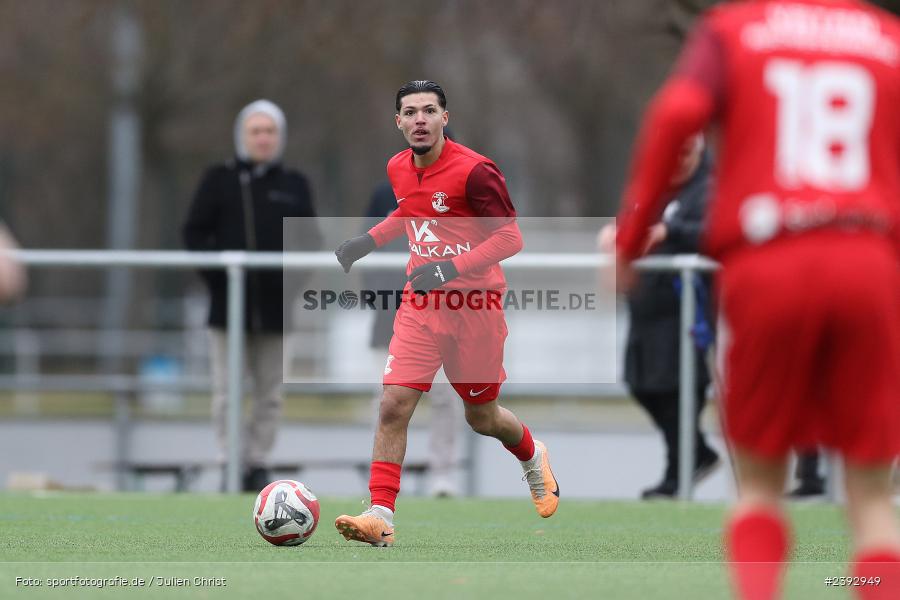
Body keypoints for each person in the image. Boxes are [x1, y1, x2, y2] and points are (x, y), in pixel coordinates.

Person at [613, 2, 900, 598]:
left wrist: (627, 243)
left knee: (763, 486)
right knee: (872, 498)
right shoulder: (885, 36)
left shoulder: (734, 31)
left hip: (770, 261)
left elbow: (677, 114)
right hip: (867, 259)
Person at [332, 80, 559, 546]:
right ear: (398, 122)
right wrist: (367, 241)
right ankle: (379, 514)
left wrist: (450, 268)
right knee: (394, 403)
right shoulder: (397, 167)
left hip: (475, 309)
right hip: (421, 307)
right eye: (410, 112)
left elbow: (510, 239)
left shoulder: (476, 172)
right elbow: (409, 214)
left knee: (482, 417)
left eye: (429, 111)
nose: (419, 119)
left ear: (444, 119)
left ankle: (533, 455)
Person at [182, 99, 320, 492]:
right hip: (228, 309)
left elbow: (309, 242)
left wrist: (289, 287)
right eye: (256, 131)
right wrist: (220, 280)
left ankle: (257, 461)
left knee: (269, 393)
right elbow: (194, 233)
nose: (263, 138)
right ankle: (229, 460)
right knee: (227, 391)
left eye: (270, 131)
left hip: (277, 311)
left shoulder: (295, 185)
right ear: (243, 135)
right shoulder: (218, 179)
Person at [599, 133, 719, 499]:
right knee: (641, 382)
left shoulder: (711, 188)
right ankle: (695, 454)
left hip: (685, 308)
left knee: (679, 389)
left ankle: (678, 472)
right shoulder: (654, 184)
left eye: (687, 152)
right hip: (646, 303)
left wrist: (672, 230)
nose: (680, 159)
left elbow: (715, 233)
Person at [364, 178, 461, 498]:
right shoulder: (384, 192)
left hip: (443, 318)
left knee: (445, 399)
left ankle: (442, 474)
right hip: (390, 318)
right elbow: (369, 245)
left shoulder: (460, 193)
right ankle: (382, 476)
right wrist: (378, 301)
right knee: (388, 401)